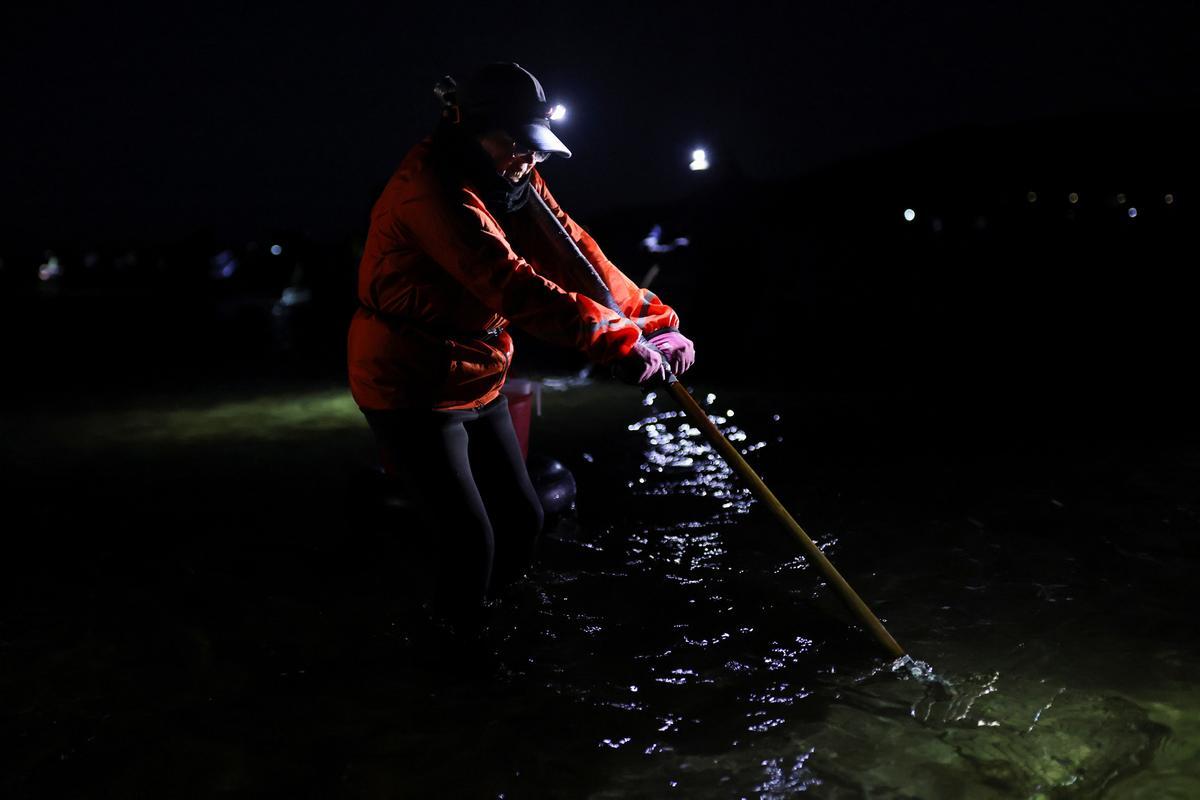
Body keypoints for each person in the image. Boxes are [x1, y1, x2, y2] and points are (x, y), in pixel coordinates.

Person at [347, 62, 696, 629]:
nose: (528, 159)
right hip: (409, 380)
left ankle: (497, 626)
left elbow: (577, 255)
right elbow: (512, 285)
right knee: (469, 539)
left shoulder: (512, 175)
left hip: (477, 369)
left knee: (523, 517)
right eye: (515, 145)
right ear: (469, 129)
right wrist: (613, 343)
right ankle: (456, 665)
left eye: (535, 148)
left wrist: (653, 319)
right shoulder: (431, 191)